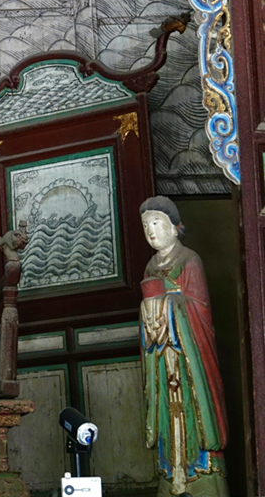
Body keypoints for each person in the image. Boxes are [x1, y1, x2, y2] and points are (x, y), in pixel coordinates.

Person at [139, 196, 228, 496]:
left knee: (192, 412)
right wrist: (150, 312)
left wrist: (167, 303)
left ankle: (203, 480)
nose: (151, 231)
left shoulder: (189, 260)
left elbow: (199, 309)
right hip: (162, 358)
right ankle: (171, 476)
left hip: (189, 355)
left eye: (156, 223)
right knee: (167, 413)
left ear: (174, 227)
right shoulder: (150, 267)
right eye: (145, 226)